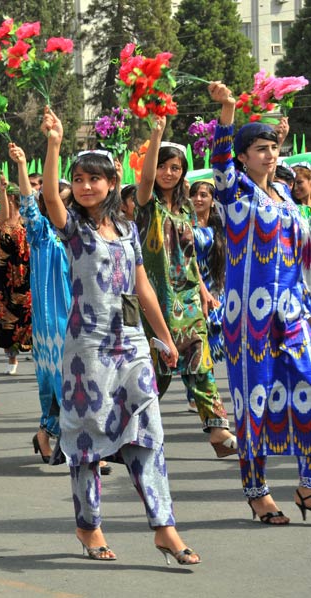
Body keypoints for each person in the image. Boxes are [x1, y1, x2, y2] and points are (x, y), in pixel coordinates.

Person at [41, 107, 200, 566]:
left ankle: (164, 527)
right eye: (80, 179)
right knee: (88, 437)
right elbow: (52, 198)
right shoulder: (74, 229)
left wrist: (165, 339)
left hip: (130, 343)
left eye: (96, 178)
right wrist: (54, 144)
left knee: (147, 431)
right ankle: (88, 525)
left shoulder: (128, 228)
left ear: (112, 183)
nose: (87, 186)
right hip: (86, 349)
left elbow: (143, 287)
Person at [208, 81, 311, 525]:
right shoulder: (235, 195)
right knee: (254, 403)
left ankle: (307, 484)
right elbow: (219, 160)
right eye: (261, 149)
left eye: (273, 148)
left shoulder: (286, 196)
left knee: (306, 392)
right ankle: (258, 492)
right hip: (248, 320)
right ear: (243, 156)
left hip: (293, 314)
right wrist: (228, 112)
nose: (269, 154)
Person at [135, 121, 238, 458]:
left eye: (175, 167)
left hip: (189, 298)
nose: (168, 172)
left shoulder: (185, 211)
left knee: (201, 361)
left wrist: (206, 292)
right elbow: (147, 179)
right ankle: (125, 426)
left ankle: (218, 430)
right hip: (158, 298)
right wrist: (156, 136)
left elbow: (190, 255)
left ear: (183, 173)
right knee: (158, 371)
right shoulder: (147, 204)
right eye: (163, 165)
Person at [8, 142, 71, 463]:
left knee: (83, 383)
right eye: (59, 202)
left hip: (84, 319)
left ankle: (49, 434)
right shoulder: (41, 232)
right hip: (53, 324)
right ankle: (54, 434)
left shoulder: (83, 235)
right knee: (59, 382)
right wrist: (21, 165)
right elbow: (28, 203)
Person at [0, 183, 32, 375]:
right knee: (5, 317)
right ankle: (12, 357)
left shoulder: (27, 219)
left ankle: (35, 351)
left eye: (6, 197)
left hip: (25, 273)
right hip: (2, 276)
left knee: (28, 315)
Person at [189, 181, 226, 367]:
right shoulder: (185, 226)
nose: (198, 199)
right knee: (199, 346)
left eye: (203, 195)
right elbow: (189, 260)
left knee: (220, 346)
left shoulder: (220, 227)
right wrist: (203, 292)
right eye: (194, 194)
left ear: (213, 201)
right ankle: (203, 394)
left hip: (218, 290)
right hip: (194, 289)